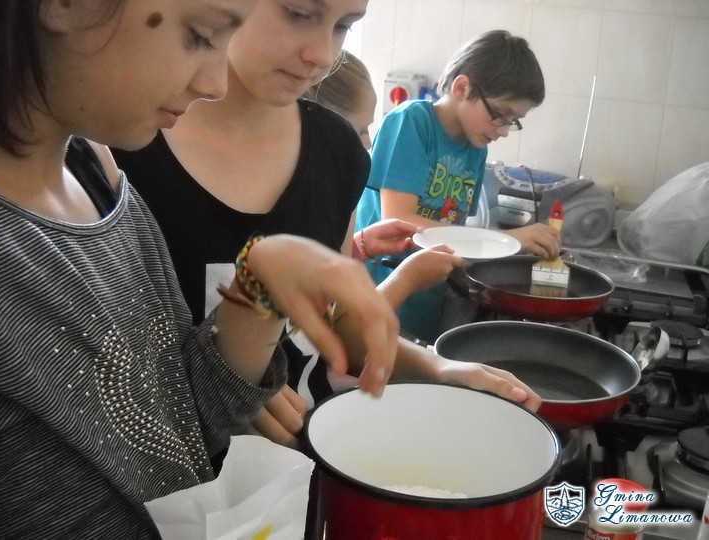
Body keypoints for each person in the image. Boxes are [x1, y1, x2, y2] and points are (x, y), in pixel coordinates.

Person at [0, 1, 404, 537]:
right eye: (201, 35)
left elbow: (180, 424)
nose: (215, 83)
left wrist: (258, 290)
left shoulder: (95, 173)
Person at [113, 5, 541, 452]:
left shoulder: (337, 151)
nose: (322, 55)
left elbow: (336, 321)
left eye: (343, 26)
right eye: (299, 13)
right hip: (176, 472)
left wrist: (438, 368)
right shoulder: (125, 147)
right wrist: (230, 381)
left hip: (302, 457)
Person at [355, 29, 562, 342]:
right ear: (462, 87)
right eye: (501, 115)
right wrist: (507, 241)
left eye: (513, 121)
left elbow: (454, 230)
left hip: (426, 302)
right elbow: (398, 221)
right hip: (379, 292)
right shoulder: (412, 122)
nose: (504, 131)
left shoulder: (476, 149)